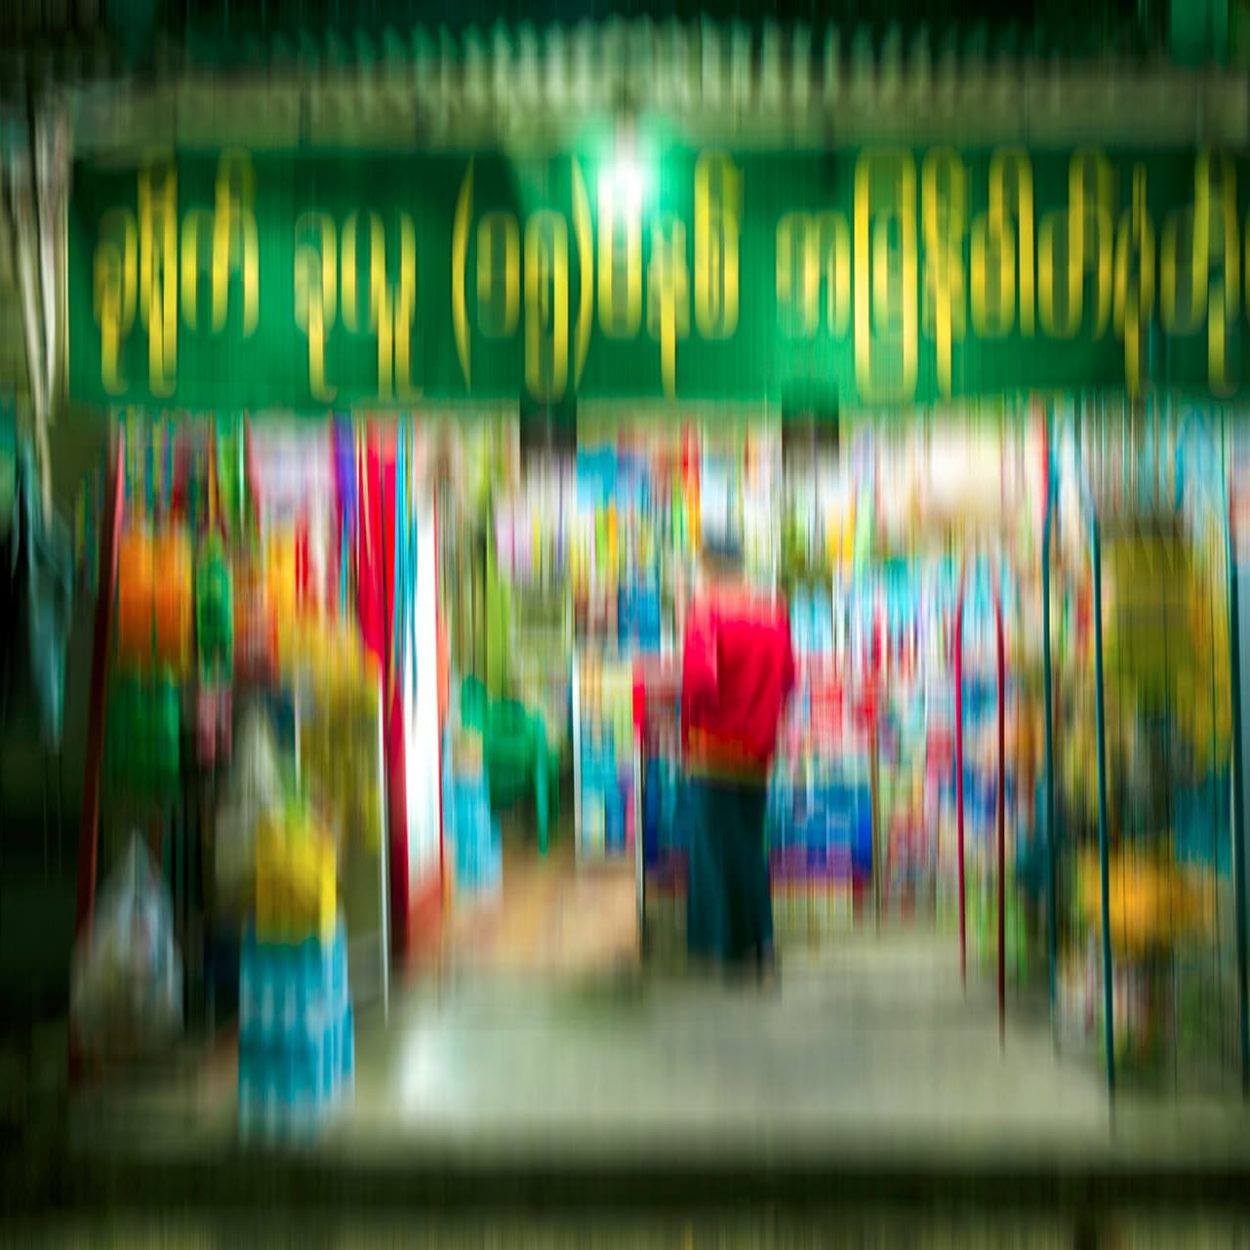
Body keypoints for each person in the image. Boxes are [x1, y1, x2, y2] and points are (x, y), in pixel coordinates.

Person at [680, 531, 795, 984]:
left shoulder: (707, 615)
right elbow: (788, 677)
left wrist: (685, 722)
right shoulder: (772, 611)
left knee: (715, 848)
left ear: (709, 569)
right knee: (750, 844)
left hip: (713, 750)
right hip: (758, 751)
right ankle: (760, 941)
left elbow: (698, 683)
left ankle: (726, 947)